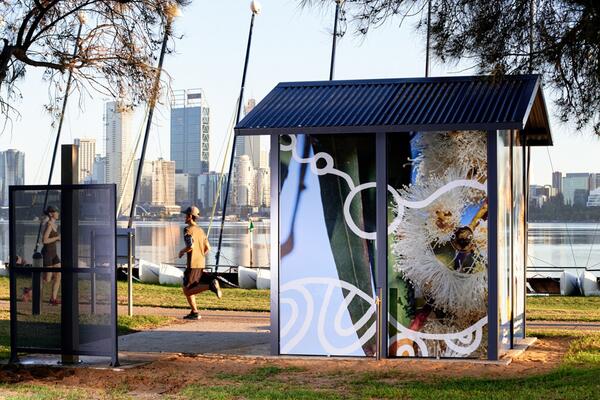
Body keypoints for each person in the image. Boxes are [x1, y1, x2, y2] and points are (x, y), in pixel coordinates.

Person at [178, 206, 222, 320]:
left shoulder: (187, 229)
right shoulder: (201, 231)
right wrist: (200, 255)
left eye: (186, 215)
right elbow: (208, 247)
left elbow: (190, 246)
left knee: (187, 291)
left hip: (192, 264)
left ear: (190, 216)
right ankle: (194, 312)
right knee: (188, 287)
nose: (184, 217)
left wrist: (182, 252)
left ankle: (210, 286)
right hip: (200, 263)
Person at [41, 205, 61, 305]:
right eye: (56, 212)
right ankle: (29, 290)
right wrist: (57, 238)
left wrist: (58, 239)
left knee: (58, 275)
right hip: (47, 254)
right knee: (47, 279)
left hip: (54, 254)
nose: (58, 213)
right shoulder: (49, 224)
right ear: (51, 214)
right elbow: (44, 240)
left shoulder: (55, 225)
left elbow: (54, 239)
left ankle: (53, 298)